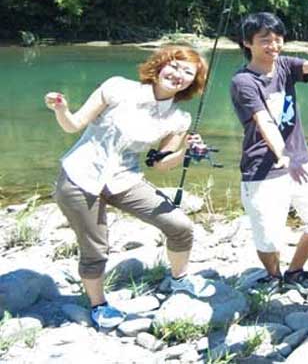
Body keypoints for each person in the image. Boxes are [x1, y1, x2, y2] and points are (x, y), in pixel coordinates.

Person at [45, 45, 216, 330]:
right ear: (160, 65)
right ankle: (98, 305)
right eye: (174, 65)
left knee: (179, 226)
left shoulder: (178, 119)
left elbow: (160, 164)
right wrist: (61, 108)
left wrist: (187, 150)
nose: (178, 74)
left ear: (192, 83)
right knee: (96, 249)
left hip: (125, 179)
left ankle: (179, 280)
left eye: (188, 72)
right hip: (79, 177)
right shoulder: (117, 88)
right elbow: (73, 125)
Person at [230, 12, 308, 296]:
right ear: (248, 43)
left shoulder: (284, 66)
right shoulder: (243, 81)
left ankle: (294, 271)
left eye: (278, 39)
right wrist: (282, 154)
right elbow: (263, 120)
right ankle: (272, 275)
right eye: (265, 40)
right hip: (262, 168)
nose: (274, 45)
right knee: (267, 235)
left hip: (300, 162)